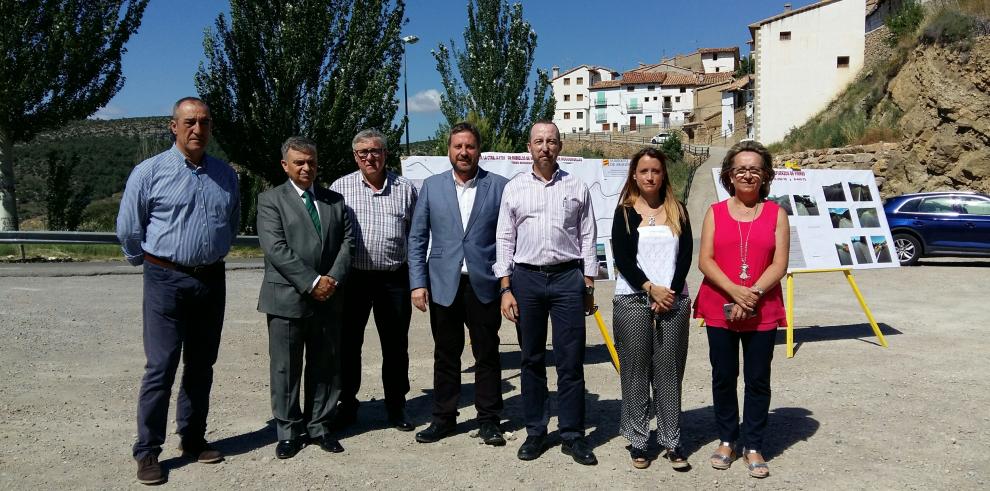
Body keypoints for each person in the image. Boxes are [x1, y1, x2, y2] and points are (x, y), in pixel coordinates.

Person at [116, 97, 240, 485]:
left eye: (204, 122)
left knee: (202, 365)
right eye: (189, 121)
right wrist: (151, 264)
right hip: (165, 279)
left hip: (211, 279)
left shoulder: (225, 174)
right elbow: (129, 229)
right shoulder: (149, 172)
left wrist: (211, 252)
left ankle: (192, 438)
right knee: (161, 366)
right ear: (174, 126)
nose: (197, 129)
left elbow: (233, 221)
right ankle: (148, 451)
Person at [494, 121, 599, 465]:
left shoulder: (577, 186)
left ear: (560, 146)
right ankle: (536, 431)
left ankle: (572, 434)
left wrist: (588, 282)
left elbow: (587, 236)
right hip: (526, 280)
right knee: (531, 358)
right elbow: (504, 240)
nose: (545, 147)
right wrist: (506, 287)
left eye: (551, 141)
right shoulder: (514, 188)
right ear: (529, 147)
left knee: (570, 361)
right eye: (539, 141)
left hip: (568, 279)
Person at [407, 122, 509, 446]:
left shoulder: (499, 187)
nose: (464, 152)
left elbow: (508, 239)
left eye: (470, 146)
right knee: (445, 354)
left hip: (484, 283)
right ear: (449, 150)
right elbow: (418, 237)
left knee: (487, 354)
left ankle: (489, 420)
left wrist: (508, 285)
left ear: (479, 150)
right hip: (442, 284)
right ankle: (444, 419)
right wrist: (417, 283)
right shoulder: (432, 186)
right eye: (457, 147)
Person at [693, 140, 789, 479]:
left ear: (765, 176)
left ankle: (753, 444)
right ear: (729, 176)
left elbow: (780, 262)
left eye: (754, 169)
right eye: (740, 169)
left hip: (762, 307)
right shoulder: (715, 213)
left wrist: (753, 294)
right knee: (723, 376)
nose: (748, 174)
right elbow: (705, 260)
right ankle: (727, 438)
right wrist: (735, 291)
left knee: (758, 379)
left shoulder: (777, 214)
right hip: (720, 303)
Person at [256, 137, 353, 459]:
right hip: (287, 298)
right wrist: (312, 282)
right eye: (299, 162)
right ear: (285, 165)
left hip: (329, 298)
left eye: (311, 161)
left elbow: (347, 245)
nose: (306, 167)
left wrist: (332, 280)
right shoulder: (270, 201)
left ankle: (320, 425)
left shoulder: (334, 201)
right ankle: (288, 430)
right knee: (285, 368)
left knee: (326, 365)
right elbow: (275, 249)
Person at [610, 147, 693, 471]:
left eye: (655, 171)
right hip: (633, 298)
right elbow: (624, 260)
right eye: (644, 171)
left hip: (673, 300)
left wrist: (668, 292)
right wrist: (650, 288)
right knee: (635, 371)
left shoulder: (678, 211)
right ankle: (639, 439)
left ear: (663, 175)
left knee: (669, 372)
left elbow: (685, 256)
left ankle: (672, 440)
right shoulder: (625, 212)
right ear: (634, 175)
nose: (649, 176)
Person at [330, 129, 418, 432]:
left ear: (385, 154)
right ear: (355, 156)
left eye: (376, 151)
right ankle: (347, 405)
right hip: (353, 280)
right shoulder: (340, 188)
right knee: (348, 345)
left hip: (394, 279)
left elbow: (416, 238)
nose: (370, 157)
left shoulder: (405, 189)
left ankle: (396, 406)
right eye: (363, 152)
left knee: (395, 346)